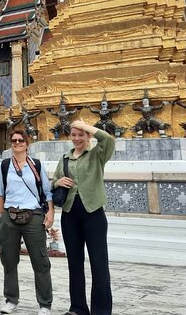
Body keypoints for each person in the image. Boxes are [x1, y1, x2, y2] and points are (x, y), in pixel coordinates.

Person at [53, 119, 115, 315]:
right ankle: (78, 307)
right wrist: (57, 183)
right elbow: (54, 181)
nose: (77, 138)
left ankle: (101, 310)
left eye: (81, 135)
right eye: (74, 135)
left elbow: (108, 139)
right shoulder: (65, 158)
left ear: (88, 136)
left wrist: (85, 125)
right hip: (70, 214)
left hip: (93, 213)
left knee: (99, 264)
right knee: (75, 263)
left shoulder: (97, 155)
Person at [0, 129, 54, 315]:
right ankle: (11, 299)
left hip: (34, 215)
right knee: (9, 260)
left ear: (27, 144)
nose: (17, 143)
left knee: (40, 260)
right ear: (10, 143)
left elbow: (47, 191)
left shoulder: (36, 165)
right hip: (10, 215)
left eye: (21, 140)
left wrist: (50, 212)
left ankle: (45, 303)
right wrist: (3, 215)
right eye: (14, 140)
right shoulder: (4, 166)